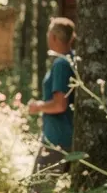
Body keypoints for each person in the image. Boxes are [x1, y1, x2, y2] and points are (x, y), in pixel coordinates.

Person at [28, 17, 75, 172]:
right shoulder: (72, 58)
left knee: (39, 186)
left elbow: (59, 104)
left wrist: (37, 106)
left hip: (56, 140)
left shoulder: (61, 64)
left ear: (53, 37)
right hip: (66, 138)